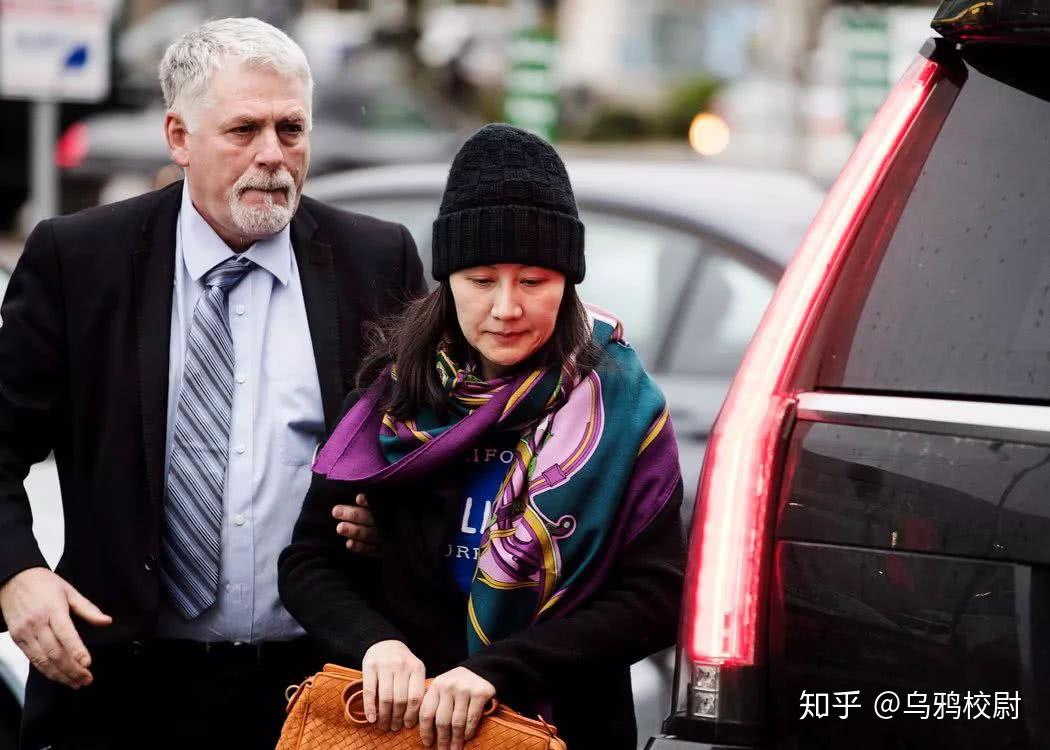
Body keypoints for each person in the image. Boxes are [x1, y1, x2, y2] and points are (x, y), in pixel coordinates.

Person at [0, 18, 424, 750]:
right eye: (243, 130)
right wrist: (16, 575)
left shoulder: (375, 260)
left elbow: (429, 450)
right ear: (179, 137)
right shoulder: (81, 261)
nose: (273, 155)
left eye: (291, 129)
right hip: (119, 686)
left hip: (317, 688)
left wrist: (396, 525)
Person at [278, 124, 685, 750]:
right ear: (448, 280)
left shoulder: (621, 409)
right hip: (404, 730)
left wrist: (498, 672)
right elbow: (310, 561)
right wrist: (376, 644)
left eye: (533, 280)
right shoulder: (394, 402)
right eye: (481, 279)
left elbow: (655, 598)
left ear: (568, 281)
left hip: (563, 726)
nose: (506, 308)